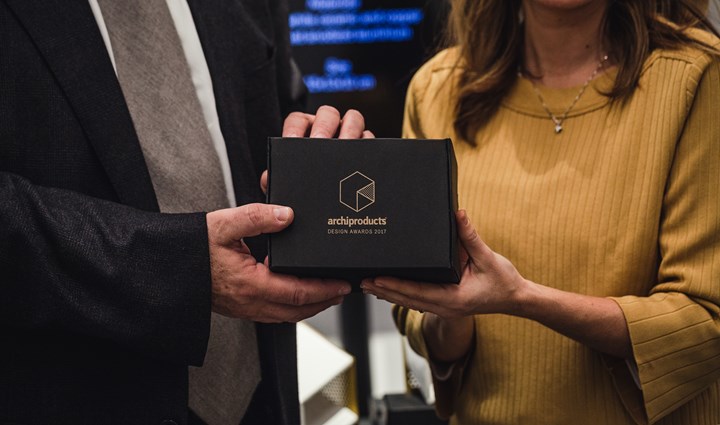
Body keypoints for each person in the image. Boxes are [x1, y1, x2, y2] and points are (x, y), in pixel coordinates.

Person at [0, 0, 370, 424]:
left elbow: (279, 118)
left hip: (263, 392)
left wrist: (327, 160)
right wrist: (178, 268)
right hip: (73, 391)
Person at [360, 1, 720, 424]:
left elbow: (704, 321)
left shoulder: (694, 79)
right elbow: (423, 321)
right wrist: (451, 312)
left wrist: (524, 299)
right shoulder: (438, 89)